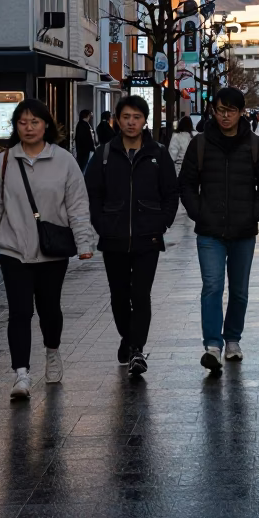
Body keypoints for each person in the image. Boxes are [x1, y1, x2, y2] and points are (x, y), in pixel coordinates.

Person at [0, 98, 96, 399]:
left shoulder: (64, 161)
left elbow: (77, 205)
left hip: (52, 251)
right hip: (13, 250)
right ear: (15, 126)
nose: (28, 127)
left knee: (49, 310)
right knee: (19, 312)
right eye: (22, 122)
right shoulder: (4, 162)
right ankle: (21, 373)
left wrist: (84, 242)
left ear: (46, 125)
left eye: (35, 122)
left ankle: (52, 352)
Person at [179, 87, 259, 371]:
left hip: (243, 231)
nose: (225, 116)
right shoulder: (199, 144)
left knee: (239, 290)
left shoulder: (255, 145)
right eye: (220, 110)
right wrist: (198, 213)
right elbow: (186, 184)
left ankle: (232, 339)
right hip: (209, 231)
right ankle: (212, 345)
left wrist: (252, 215)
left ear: (241, 113)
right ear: (213, 111)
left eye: (231, 111)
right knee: (212, 286)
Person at [86, 95, 179, 379]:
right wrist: (101, 224)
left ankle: (136, 348)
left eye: (136, 117)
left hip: (147, 237)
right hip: (113, 237)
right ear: (117, 119)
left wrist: (162, 222)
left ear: (144, 121)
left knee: (140, 294)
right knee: (118, 295)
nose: (131, 122)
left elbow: (171, 192)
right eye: (126, 117)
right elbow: (92, 194)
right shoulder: (104, 154)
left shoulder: (157, 153)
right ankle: (127, 338)